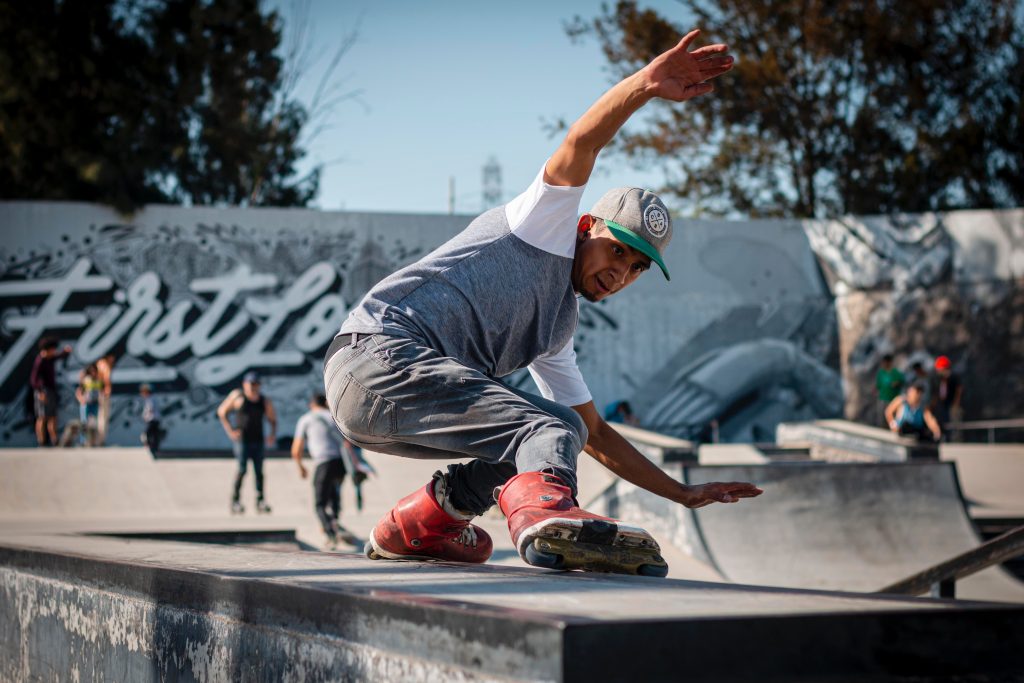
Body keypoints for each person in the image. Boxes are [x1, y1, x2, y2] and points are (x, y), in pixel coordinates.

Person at [324, 29, 762, 577]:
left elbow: (596, 435)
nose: (619, 274)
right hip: (378, 357)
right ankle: (544, 516)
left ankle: (421, 522)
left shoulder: (556, 327)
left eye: (635, 269)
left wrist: (680, 492)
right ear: (586, 228)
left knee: (558, 430)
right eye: (615, 252)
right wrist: (647, 86)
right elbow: (583, 142)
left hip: (384, 404)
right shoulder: (544, 224)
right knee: (544, 431)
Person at [291, 394, 359, 549]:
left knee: (320, 503)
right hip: (341, 464)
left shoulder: (307, 419)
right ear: (326, 403)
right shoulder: (334, 417)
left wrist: (300, 466)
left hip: (324, 463)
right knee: (334, 493)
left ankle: (331, 533)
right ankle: (334, 520)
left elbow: (296, 449)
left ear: (311, 404)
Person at [217, 371, 277, 514]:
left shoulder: (264, 400)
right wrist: (230, 430)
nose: (253, 388)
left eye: (256, 384)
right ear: (245, 384)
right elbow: (222, 411)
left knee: (259, 471)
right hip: (242, 440)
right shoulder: (238, 397)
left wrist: (272, 434)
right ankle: (235, 501)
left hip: (258, 439)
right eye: (251, 384)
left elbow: (272, 419)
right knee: (242, 469)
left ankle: (260, 501)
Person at [29, 337, 72, 446]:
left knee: (53, 416)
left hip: (51, 391)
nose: (54, 351)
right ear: (47, 349)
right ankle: (41, 441)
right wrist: (40, 392)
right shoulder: (40, 361)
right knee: (42, 417)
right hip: (43, 392)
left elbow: (59, 356)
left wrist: (65, 352)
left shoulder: (49, 358)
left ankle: (54, 440)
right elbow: (33, 379)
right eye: (53, 349)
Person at [931, 355, 962, 441]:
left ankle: (954, 439)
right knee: (941, 422)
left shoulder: (953, 377)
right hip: (940, 406)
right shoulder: (937, 379)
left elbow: (958, 391)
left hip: (951, 405)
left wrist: (956, 404)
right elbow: (935, 393)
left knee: (953, 423)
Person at [75, 363, 103, 446]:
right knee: (84, 423)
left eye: (95, 371)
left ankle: (93, 441)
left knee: (94, 424)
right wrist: (81, 399)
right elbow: (78, 391)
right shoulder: (86, 380)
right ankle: (82, 441)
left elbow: (101, 391)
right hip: (86, 404)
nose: (93, 373)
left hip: (95, 404)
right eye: (92, 371)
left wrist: (100, 400)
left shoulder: (98, 380)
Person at [874, 354, 904, 428]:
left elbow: (902, 381)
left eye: (887, 362)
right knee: (881, 417)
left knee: (892, 416)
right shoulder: (881, 373)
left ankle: (892, 429)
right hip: (883, 399)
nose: (885, 364)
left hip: (893, 399)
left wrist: (896, 383)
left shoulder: (895, 373)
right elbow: (878, 385)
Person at [95, 352, 116, 446]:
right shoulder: (106, 365)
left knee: (100, 417)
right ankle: (100, 440)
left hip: (98, 392)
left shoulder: (99, 363)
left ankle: (98, 439)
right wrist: (108, 390)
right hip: (104, 393)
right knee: (104, 417)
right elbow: (107, 378)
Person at [139, 383, 162, 455]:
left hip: (152, 420)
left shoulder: (150, 399)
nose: (142, 394)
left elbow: (150, 409)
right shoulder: (152, 398)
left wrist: (145, 416)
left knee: (147, 434)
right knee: (154, 435)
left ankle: (151, 448)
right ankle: (154, 448)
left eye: (143, 392)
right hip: (155, 419)